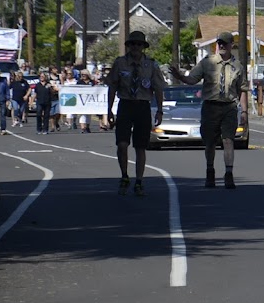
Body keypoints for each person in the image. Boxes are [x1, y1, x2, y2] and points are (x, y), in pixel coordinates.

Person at [170, 31, 249, 190]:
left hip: (229, 107)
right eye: (219, 43)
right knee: (210, 142)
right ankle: (210, 171)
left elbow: (242, 89)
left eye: (224, 43)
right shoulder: (207, 62)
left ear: (230, 45)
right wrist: (179, 76)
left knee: (228, 140)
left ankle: (228, 173)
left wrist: (244, 112)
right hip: (210, 106)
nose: (221, 46)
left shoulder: (238, 66)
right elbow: (192, 79)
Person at [106, 31, 165, 197]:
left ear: (143, 47)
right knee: (122, 144)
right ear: (128, 46)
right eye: (132, 44)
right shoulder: (120, 63)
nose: (135, 47)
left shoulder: (151, 65)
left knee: (140, 147)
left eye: (139, 44)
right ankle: (124, 175)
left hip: (143, 106)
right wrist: (108, 110)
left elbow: (158, 88)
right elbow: (112, 86)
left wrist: (160, 110)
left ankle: (139, 180)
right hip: (125, 105)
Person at [31, 69, 54, 135]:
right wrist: (32, 102)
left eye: (43, 76)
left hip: (47, 102)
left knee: (46, 116)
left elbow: (52, 93)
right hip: (39, 102)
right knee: (38, 114)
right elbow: (35, 94)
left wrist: (51, 88)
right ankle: (39, 129)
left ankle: (45, 129)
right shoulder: (37, 85)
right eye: (41, 76)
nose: (42, 78)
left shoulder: (48, 84)